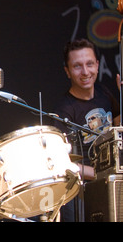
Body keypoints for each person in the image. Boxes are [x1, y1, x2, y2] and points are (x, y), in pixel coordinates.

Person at [52, 38, 119, 222]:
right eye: (77, 66)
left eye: (90, 64)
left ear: (97, 65)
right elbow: (62, 163)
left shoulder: (104, 93)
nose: (85, 72)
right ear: (67, 71)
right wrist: (99, 174)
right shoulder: (64, 110)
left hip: (112, 181)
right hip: (85, 191)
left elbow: (119, 127)